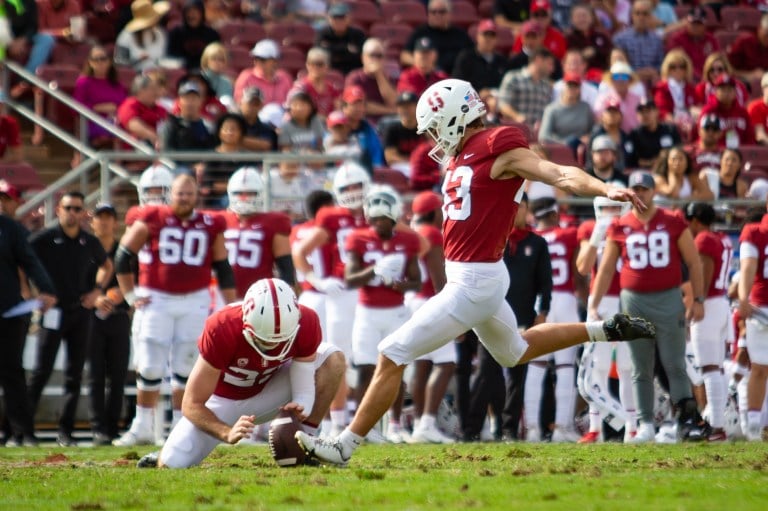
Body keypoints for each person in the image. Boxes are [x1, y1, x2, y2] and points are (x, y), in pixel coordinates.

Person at [296, 78, 655, 466]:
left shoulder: (499, 147)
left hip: (473, 281)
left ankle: (343, 445)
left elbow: (557, 173)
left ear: (454, 118)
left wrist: (604, 189)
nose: (434, 137)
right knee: (515, 352)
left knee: (391, 352)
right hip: (476, 276)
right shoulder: (464, 153)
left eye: (436, 126)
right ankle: (606, 329)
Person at [136, 278, 346, 468]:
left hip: (272, 389)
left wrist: (301, 407)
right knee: (172, 464)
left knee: (333, 358)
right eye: (264, 340)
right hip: (223, 402)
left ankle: (306, 445)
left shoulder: (307, 321)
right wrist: (226, 432)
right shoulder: (222, 326)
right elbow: (191, 404)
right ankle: (164, 453)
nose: (273, 346)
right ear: (246, 324)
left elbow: (303, 385)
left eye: (281, 339)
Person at [113, 175, 238, 446]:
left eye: (190, 194)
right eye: (180, 194)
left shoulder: (210, 223)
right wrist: (130, 295)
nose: (185, 198)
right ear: (171, 194)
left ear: (197, 197)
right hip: (156, 298)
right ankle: (143, 425)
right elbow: (123, 254)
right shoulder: (152, 216)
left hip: (195, 299)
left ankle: (183, 427)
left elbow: (222, 267)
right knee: (148, 363)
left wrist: (231, 305)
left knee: (187, 364)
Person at [590, 171, 706, 443]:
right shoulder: (619, 226)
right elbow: (606, 270)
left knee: (675, 364)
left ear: (653, 192)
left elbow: (693, 262)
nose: (640, 194)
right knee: (640, 366)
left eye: (644, 189)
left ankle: (686, 421)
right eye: (636, 189)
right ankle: (644, 424)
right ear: (629, 192)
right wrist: (594, 304)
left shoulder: (673, 221)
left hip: (668, 299)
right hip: (634, 300)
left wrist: (698, 299)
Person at [292, 161, 371, 437]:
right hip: (333, 296)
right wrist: (316, 279)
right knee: (335, 358)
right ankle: (335, 423)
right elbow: (300, 252)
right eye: (346, 187)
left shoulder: (375, 214)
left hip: (365, 296)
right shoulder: (332, 217)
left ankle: (352, 421)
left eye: (356, 186)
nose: (352, 192)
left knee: (361, 357)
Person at [28, 191, 112, 447]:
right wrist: (35, 293)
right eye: (68, 208)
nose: (72, 213)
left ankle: (65, 432)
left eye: (77, 208)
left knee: (74, 374)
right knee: (41, 372)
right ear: (58, 210)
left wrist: (96, 291)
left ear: (83, 213)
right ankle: (21, 429)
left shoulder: (89, 241)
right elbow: (22, 262)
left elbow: (107, 266)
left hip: (79, 311)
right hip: (53, 312)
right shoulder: (44, 239)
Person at [344, 185, 422, 443]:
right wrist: (374, 270)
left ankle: (395, 425)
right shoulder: (358, 239)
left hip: (397, 312)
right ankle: (363, 426)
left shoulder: (408, 240)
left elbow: (416, 281)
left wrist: (402, 286)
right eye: (373, 219)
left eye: (382, 219)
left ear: (394, 217)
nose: (377, 224)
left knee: (396, 368)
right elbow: (351, 280)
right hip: (367, 312)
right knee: (366, 370)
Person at [575, 196, 636, 443]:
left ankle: (632, 426)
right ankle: (596, 427)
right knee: (597, 365)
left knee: (626, 366)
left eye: (615, 207)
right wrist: (595, 239)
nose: (611, 212)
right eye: (606, 207)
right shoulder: (590, 228)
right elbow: (582, 267)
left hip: (627, 297)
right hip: (600, 300)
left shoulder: (631, 227)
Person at [524, 197, 583, 443]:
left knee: (536, 367)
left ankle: (532, 430)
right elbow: (579, 274)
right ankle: (561, 427)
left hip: (540, 302)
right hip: (566, 299)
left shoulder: (531, 238)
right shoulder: (569, 235)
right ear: (555, 214)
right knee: (565, 367)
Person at [0, 207, 56, 447]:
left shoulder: (9, 229)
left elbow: (29, 260)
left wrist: (46, 288)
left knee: (12, 372)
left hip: (8, 310)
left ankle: (22, 432)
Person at [498, 193, 551, 441]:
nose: (518, 211)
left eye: (522, 207)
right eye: (514, 206)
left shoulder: (537, 243)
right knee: (487, 376)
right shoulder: (495, 239)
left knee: (517, 377)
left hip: (522, 316)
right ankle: (479, 426)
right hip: (491, 315)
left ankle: (509, 429)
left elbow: (545, 284)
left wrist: (542, 312)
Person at [407, 191, 457, 444]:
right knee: (446, 362)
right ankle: (426, 422)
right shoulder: (432, 233)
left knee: (422, 364)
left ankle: (418, 424)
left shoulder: (410, 232)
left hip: (411, 302)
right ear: (433, 212)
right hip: (429, 300)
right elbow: (439, 281)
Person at [685, 202, 733, 442]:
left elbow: (704, 270)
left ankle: (716, 426)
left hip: (710, 303)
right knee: (717, 366)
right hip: (721, 303)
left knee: (709, 368)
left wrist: (697, 301)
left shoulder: (703, 239)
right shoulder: (722, 238)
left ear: (695, 219)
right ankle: (718, 422)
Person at [88, 203, 132, 446]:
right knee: (95, 375)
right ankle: (97, 427)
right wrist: (95, 298)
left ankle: (113, 426)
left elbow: (134, 280)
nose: (104, 222)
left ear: (116, 223)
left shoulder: (123, 250)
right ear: (92, 221)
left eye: (108, 217)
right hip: (92, 319)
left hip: (118, 318)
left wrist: (121, 295)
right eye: (99, 217)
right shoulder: (86, 248)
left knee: (118, 375)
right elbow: (78, 281)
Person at [220, 167, 295, 300]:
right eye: (239, 193)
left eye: (250, 193)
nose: (244, 198)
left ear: (260, 193)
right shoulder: (219, 220)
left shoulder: (274, 221)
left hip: (259, 297)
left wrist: (287, 297)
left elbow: (285, 267)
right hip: (223, 295)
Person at [736, 205, 768, 441]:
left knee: (759, 369)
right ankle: (755, 426)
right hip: (761, 306)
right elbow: (747, 267)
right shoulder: (754, 231)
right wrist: (743, 296)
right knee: (759, 367)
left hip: (759, 304)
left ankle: (756, 425)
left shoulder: (754, 232)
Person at [73, 46, 129, 148]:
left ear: (109, 61)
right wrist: (100, 107)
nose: (99, 62)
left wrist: (116, 110)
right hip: (93, 122)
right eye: (95, 60)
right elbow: (76, 107)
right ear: (90, 62)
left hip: (116, 120)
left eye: (103, 59)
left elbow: (124, 104)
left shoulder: (116, 84)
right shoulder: (84, 82)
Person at [401, 0, 474, 73]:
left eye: (442, 12)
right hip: (430, 76)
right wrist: (421, 64)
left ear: (450, 13)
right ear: (428, 14)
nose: (437, 15)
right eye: (433, 12)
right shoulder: (421, 32)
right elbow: (405, 56)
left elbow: (474, 54)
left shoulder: (460, 34)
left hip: (456, 77)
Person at [344, 38, 398, 124]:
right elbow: (360, 106)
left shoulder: (388, 77)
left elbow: (394, 102)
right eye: (372, 55)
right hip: (363, 121)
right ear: (363, 58)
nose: (375, 59)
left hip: (387, 122)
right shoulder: (355, 78)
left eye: (379, 56)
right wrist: (390, 111)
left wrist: (379, 75)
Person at [498, 48, 554, 128]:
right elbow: (502, 105)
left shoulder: (546, 85)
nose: (552, 69)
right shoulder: (513, 78)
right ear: (539, 60)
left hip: (537, 135)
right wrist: (517, 116)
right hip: (515, 130)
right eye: (549, 64)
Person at [611, 0, 663, 84]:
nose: (641, 17)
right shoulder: (620, 39)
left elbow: (661, 64)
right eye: (637, 13)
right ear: (632, 15)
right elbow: (616, 66)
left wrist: (654, 71)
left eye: (645, 13)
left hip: (652, 82)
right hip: (628, 83)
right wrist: (635, 72)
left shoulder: (657, 39)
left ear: (650, 16)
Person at [451, 19, 508, 96]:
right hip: (469, 100)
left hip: (496, 99)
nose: (488, 39)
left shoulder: (501, 60)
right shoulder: (466, 57)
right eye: (485, 34)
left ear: (496, 39)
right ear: (478, 36)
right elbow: (457, 83)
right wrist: (478, 93)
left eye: (492, 35)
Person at [664, 7, 718, 83]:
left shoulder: (711, 40)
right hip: (684, 80)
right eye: (693, 23)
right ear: (687, 23)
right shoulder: (677, 39)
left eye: (698, 24)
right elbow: (675, 65)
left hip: (708, 79)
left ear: (705, 25)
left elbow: (717, 60)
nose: (695, 27)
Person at [114, 0, 172, 71]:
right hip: (135, 76)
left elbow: (164, 57)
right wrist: (137, 60)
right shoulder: (126, 36)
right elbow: (119, 62)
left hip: (159, 74)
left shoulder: (160, 33)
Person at [233, 39, 293, 106]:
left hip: (281, 115)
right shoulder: (246, 77)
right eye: (256, 58)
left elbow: (291, 103)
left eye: (262, 59)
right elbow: (239, 102)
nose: (257, 62)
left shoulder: (285, 78)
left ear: (275, 60)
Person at [627, 99, 681, 170]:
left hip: (671, 168)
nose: (645, 115)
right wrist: (655, 161)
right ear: (637, 115)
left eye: (648, 111)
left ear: (657, 111)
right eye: (641, 112)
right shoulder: (635, 134)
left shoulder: (669, 129)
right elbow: (635, 160)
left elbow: (679, 149)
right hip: (646, 172)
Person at [166, 0, 220, 70]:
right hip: (181, 70)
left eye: (195, 12)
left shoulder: (212, 34)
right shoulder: (176, 33)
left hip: (205, 71)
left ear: (202, 14)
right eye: (189, 12)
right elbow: (171, 57)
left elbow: (215, 56)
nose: (192, 15)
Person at [315, 3, 366, 76]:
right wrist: (347, 49)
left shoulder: (358, 34)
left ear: (349, 18)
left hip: (353, 72)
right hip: (328, 74)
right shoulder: (323, 34)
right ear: (329, 19)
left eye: (342, 17)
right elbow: (318, 54)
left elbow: (361, 56)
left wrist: (331, 48)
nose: (339, 21)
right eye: (335, 17)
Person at [727, 13, 768, 83]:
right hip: (742, 82)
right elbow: (727, 68)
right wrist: (749, 75)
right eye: (766, 34)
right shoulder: (745, 42)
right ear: (759, 29)